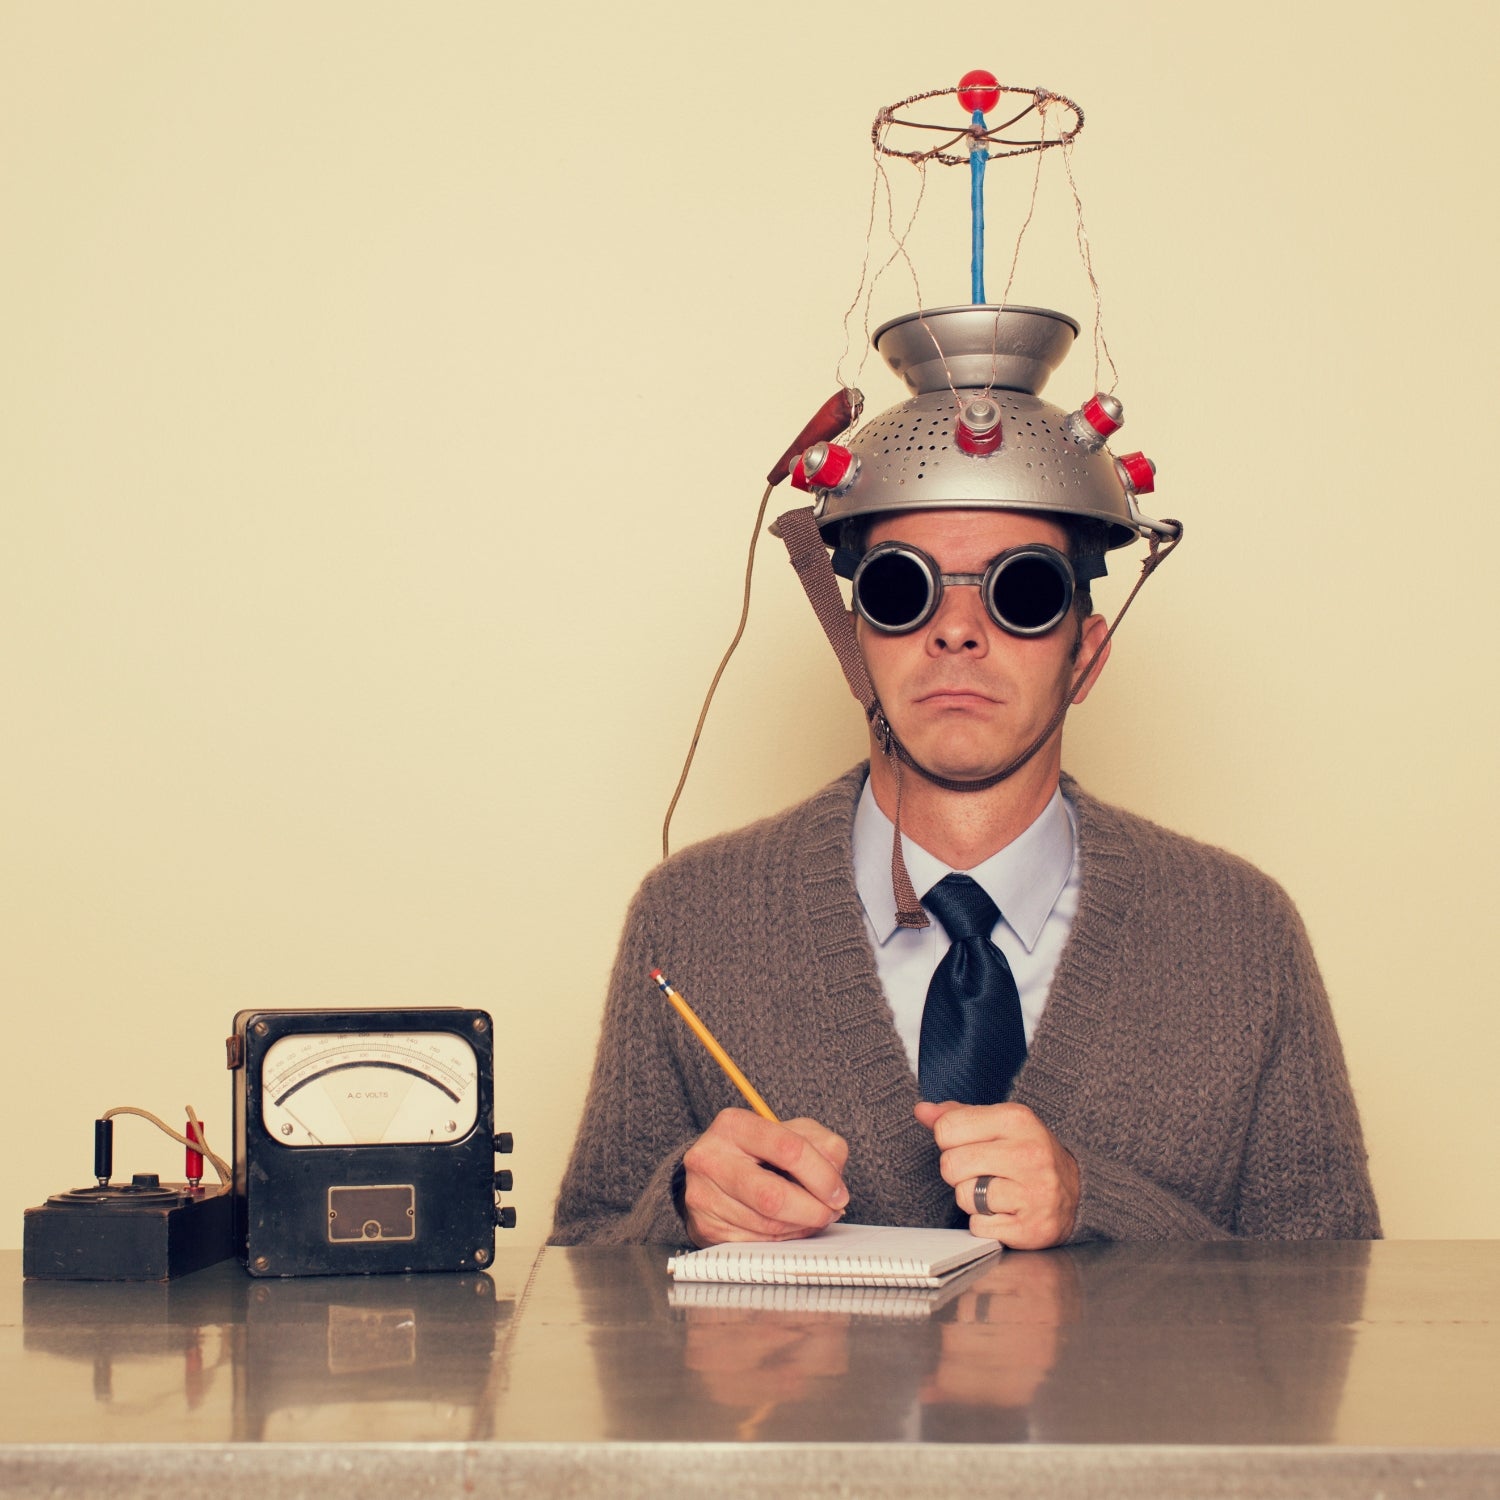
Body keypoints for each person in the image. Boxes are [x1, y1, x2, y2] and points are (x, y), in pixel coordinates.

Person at [549, 305, 1380, 1251]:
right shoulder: (693, 916)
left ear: (1087, 655)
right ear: (854, 637)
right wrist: (682, 1215)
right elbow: (581, 1288)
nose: (957, 632)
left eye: (1020, 592)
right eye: (905, 591)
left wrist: (1096, 1208)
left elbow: (1336, 1320)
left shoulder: (1238, 932)